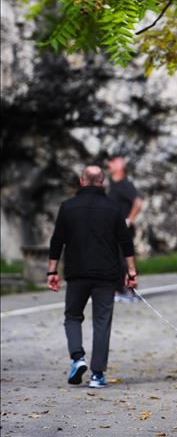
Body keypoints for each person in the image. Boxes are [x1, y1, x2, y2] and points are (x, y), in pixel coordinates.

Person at [47, 165, 138, 388]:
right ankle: (97, 374)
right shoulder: (113, 207)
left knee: (73, 316)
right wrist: (131, 272)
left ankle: (77, 357)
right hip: (106, 274)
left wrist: (52, 271)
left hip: (77, 273)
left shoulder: (67, 207)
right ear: (102, 182)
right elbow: (125, 242)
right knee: (102, 322)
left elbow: (57, 240)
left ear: (81, 181)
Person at [106, 154, 143, 303]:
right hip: (112, 230)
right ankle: (118, 289)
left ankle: (130, 290)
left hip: (123, 230)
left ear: (121, 165)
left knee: (126, 259)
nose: (109, 164)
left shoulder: (125, 185)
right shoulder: (113, 186)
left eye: (113, 161)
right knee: (113, 259)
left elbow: (138, 202)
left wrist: (129, 220)